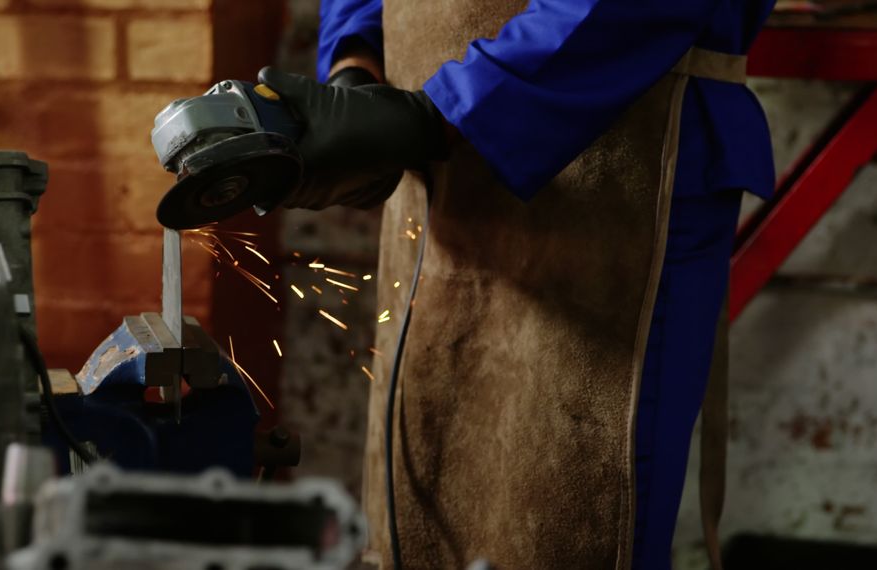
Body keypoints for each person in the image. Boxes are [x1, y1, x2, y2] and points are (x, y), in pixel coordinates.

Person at [257, 1, 777, 568]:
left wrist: (445, 113)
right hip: (429, 170)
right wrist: (356, 67)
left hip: (616, 169)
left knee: (572, 527)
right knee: (417, 510)